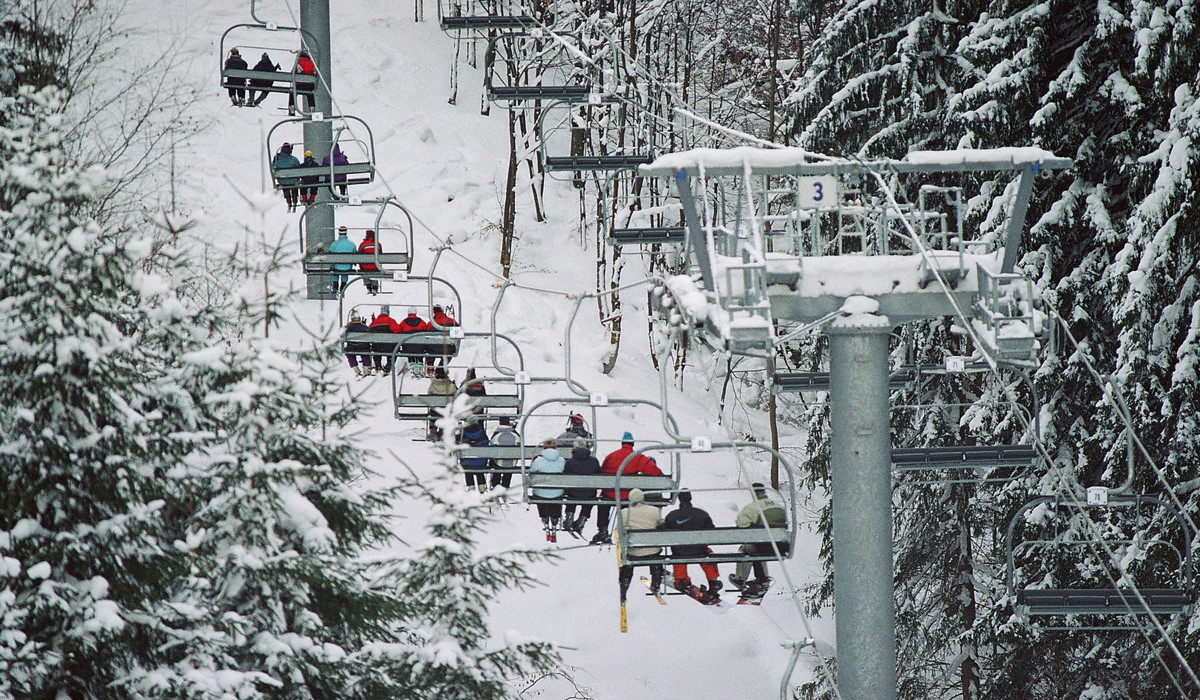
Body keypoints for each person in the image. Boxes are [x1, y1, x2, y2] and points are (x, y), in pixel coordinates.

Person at [592, 431, 662, 544]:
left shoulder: (611, 456)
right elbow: (653, 470)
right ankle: (623, 530)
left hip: (610, 492)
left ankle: (602, 529)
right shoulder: (637, 457)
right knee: (627, 507)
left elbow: (603, 470)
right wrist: (661, 475)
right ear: (632, 444)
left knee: (603, 504)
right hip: (627, 496)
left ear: (622, 443)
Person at [730, 482, 789, 589]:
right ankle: (763, 579)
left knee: (747, 549)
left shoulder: (753, 508)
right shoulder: (778, 506)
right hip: (780, 546)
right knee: (759, 548)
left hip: (762, 546)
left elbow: (741, 524)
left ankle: (740, 579)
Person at [663, 489, 722, 594]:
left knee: (678, 552)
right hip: (699, 549)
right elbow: (712, 531)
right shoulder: (702, 514)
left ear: (679, 499)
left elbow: (665, 533)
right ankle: (713, 581)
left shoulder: (672, 515)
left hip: (679, 551)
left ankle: (680, 579)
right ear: (690, 498)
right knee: (705, 552)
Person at [617, 488, 665, 602]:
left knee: (627, 565)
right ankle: (656, 583)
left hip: (633, 551)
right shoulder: (654, 511)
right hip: (652, 551)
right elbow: (661, 525)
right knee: (655, 557)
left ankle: (624, 589)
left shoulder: (624, 513)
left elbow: (621, 530)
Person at [529, 439, 566, 542]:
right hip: (557, 493)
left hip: (540, 493)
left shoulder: (538, 460)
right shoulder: (562, 460)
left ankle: (544, 518)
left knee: (541, 493)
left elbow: (531, 474)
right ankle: (555, 519)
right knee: (556, 494)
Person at [561, 439, 600, 534]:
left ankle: (569, 518)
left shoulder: (570, 462)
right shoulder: (594, 461)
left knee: (571, 494)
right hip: (589, 493)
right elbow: (599, 476)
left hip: (573, 493)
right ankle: (581, 520)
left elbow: (565, 477)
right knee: (589, 498)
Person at [458, 420, 491, 492]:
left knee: (468, 464)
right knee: (479, 463)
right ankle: (481, 486)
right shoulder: (482, 433)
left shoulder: (463, 434)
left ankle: (471, 486)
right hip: (481, 462)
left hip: (467, 462)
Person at [489, 417, 519, 492]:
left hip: (498, 462)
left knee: (496, 461)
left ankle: (495, 485)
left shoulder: (497, 434)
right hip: (511, 462)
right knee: (510, 463)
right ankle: (506, 486)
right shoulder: (515, 434)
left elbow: (491, 447)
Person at [368, 305, 401, 375]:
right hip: (389, 347)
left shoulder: (374, 322)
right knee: (395, 348)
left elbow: (368, 332)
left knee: (376, 349)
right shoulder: (390, 321)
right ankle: (388, 366)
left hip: (377, 347)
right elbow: (397, 330)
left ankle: (378, 366)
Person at [426, 367, 457, 440]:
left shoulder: (432, 385)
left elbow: (428, 395)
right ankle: (443, 431)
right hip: (447, 411)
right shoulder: (451, 386)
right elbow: (456, 396)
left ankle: (432, 431)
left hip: (435, 411)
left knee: (433, 411)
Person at [397, 307, 431, 374]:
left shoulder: (403, 323)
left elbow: (398, 332)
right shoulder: (422, 322)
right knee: (419, 345)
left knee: (409, 345)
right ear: (415, 313)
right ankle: (420, 364)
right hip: (420, 347)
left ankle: (412, 364)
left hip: (408, 348)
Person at [272, 143, 301, 212]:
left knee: (286, 189)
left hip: (283, 180)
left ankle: (289, 203)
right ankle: (295, 202)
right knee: (294, 188)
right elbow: (298, 167)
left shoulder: (277, 158)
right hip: (293, 180)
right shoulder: (293, 159)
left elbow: (273, 167)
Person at [328, 226, 357, 294]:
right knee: (345, 269)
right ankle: (343, 286)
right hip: (347, 267)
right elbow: (355, 256)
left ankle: (335, 285)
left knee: (335, 267)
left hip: (336, 267)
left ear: (339, 233)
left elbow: (329, 256)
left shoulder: (334, 244)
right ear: (346, 233)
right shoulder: (351, 244)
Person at [343, 311, 371, 378]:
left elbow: (341, 334)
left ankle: (356, 369)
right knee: (365, 353)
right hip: (364, 348)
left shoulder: (348, 328)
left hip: (351, 347)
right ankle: (366, 370)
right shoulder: (365, 327)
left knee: (349, 353)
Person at [289, 50, 316, 115]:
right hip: (309, 86)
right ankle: (312, 108)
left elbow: (293, 72)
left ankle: (292, 108)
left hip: (299, 86)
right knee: (310, 94)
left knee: (293, 93)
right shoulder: (312, 63)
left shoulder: (298, 63)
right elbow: (315, 74)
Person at [358, 229, 380, 294]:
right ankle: (375, 286)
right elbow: (381, 255)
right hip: (375, 266)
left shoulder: (363, 244)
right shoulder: (378, 244)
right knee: (375, 270)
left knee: (364, 269)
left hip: (365, 267)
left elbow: (358, 255)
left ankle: (368, 286)